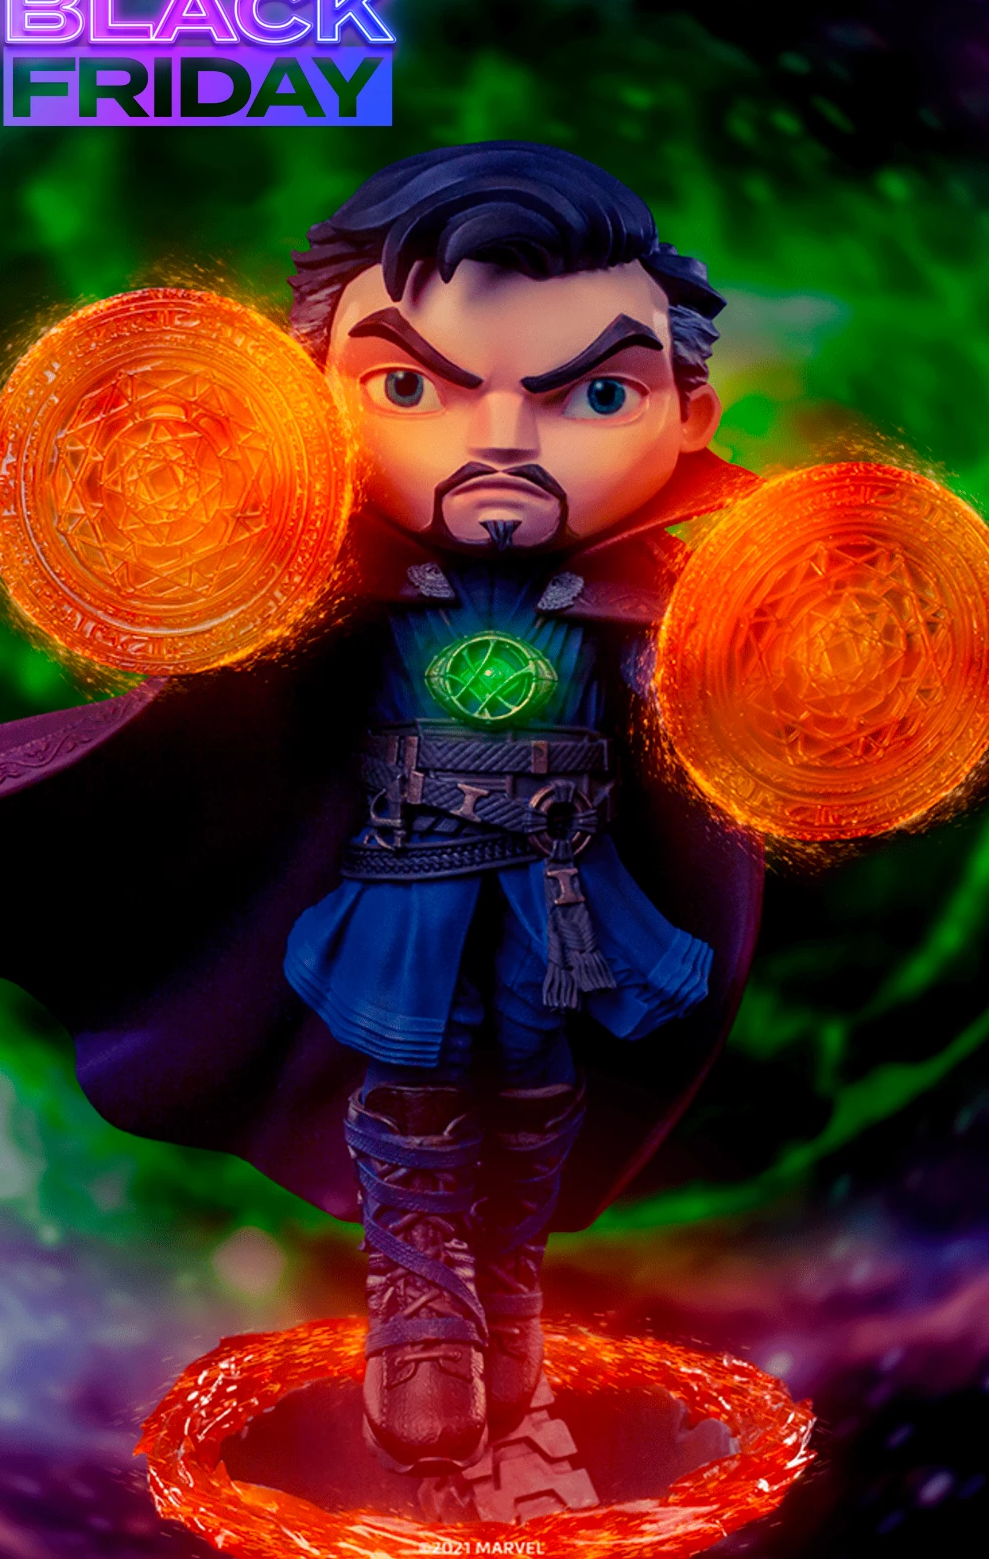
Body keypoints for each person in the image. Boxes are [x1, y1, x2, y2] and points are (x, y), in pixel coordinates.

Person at [280, 142, 742, 1472]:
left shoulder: (660, 582)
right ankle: (421, 1302)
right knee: (417, 1062)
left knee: (536, 1066)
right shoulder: (336, 572)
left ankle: (509, 1275)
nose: (498, 441)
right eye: (410, 385)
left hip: (564, 871)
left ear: (689, 416)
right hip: (407, 862)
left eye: (593, 392)